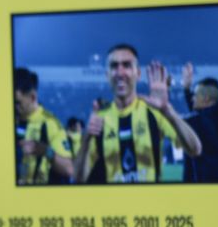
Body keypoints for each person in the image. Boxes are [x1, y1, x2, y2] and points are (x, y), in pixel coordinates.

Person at [75, 44, 201, 184]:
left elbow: (195, 149)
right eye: (114, 66)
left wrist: (168, 111)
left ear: (138, 74)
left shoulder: (155, 111)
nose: (120, 73)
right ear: (107, 75)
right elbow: (80, 179)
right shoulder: (100, 119)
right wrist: (86, 138)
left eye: (127, 65)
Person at [13, 67, 73, 185]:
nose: (14, 107)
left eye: (18, 102)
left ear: (32, 97)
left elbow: (68, 169)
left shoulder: (50, 123)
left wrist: (46, 151)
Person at [179, 66, 218, 183]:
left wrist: (164, 107)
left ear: (206, 99)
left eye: (195, 95)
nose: (193, 98)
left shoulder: (200, 121)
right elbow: (201, 113)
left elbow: (196, 119)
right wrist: (187, 89)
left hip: (200, 183)